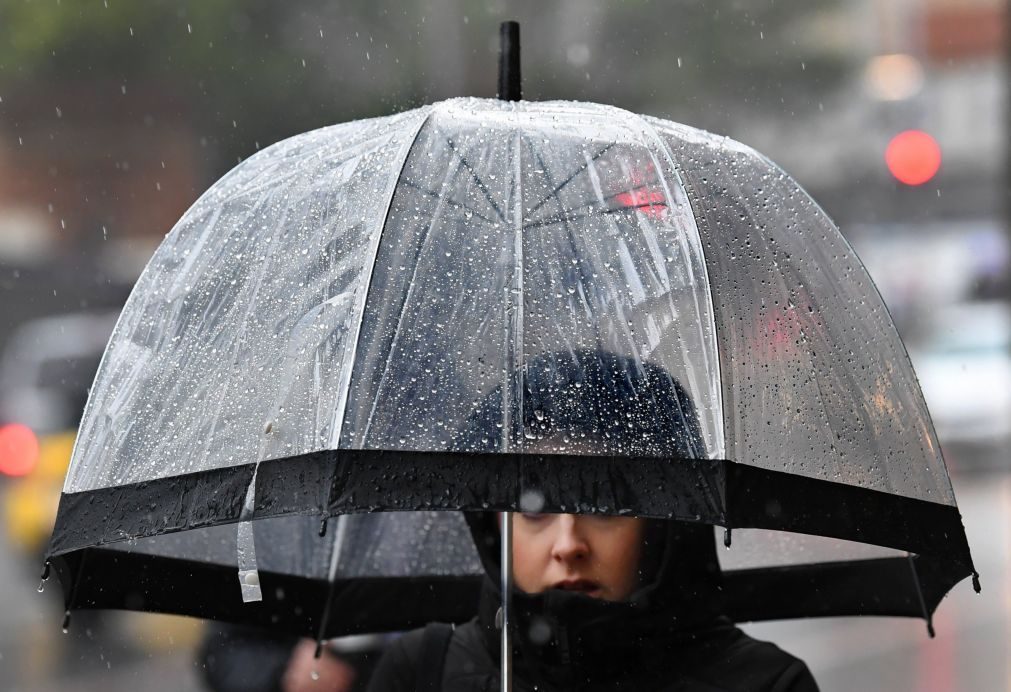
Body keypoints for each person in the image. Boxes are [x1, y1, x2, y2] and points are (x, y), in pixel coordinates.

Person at [367, 351, 819, 691]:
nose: (568, 544)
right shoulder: (422, 674)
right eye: (534, 510)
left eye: (604, 506)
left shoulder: (765, 684)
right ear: (493, 526)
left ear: (665, 523)